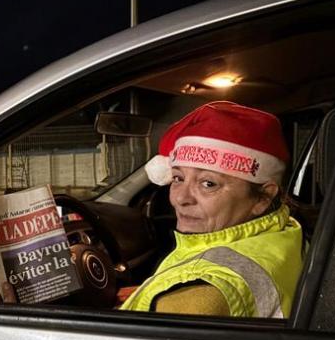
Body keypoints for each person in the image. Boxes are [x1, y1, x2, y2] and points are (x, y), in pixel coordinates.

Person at [119, 101, 303, 317]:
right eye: (178, 178)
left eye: (208, 184)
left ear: (262, 199)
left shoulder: (204, 292)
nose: (180, 198)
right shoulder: (286, 231)